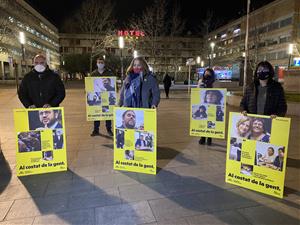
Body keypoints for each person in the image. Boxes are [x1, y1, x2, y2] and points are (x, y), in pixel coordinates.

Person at [90, 57, 113, 137]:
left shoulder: (109, 73)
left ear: (104, 63)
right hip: (97, 96)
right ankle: (96, 130)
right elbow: (89, 85)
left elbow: (113, 84)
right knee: (96, 113)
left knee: (108, 113)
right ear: (96, 63)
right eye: (99, 62)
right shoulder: (93, 74)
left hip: (106, 97)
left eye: (101, 62)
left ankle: (109, 129)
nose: (100, 64)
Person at [197, 68, 215, 145]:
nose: (207, 74)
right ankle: (203, 137)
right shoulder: (201, 81)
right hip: (203, 104)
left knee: (210, 122)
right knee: (203, 120)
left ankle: (209, 138)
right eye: (205, 72)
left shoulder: (214, 82)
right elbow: (197, 91)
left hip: (212, 105)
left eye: (209, 73)